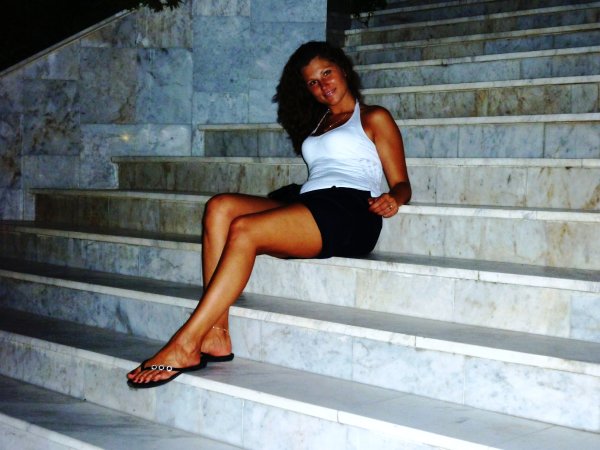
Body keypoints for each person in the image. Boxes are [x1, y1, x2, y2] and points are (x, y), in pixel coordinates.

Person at [127, 41, 411, 388]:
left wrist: (393, 199)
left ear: (344, 70)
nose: (322, 85)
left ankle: (185, 344)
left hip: (350, 212)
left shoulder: (373, 117)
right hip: (312, 202)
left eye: (327, 73)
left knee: (245, 230)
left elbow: (402, 183)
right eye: (313, 82)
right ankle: (216, 333)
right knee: (220, 207)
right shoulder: (319, 121)